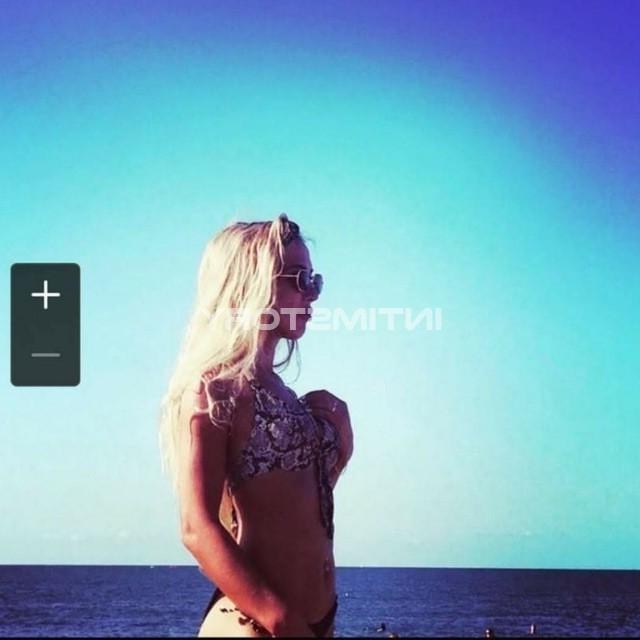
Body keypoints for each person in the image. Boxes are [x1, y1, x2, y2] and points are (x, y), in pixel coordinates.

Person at [159, 213, 354, 637]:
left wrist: (339, 442)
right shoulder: (215, 390)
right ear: (251, 285)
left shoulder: (285, 394)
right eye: (299, 279)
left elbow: (294, 511)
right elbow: (196, 527)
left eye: (314, 281)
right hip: (256, 627)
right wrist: (282, 621)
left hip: (313, 623)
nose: (311, 294)